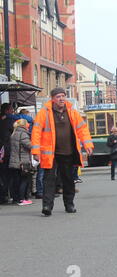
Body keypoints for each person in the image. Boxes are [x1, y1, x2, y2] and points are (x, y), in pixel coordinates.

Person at [31, 87, 94, 217]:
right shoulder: (44, 113)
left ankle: (69, 204)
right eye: (58, 96)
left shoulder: (72, 112)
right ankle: (47, 206)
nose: (61, 99)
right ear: (53, 99)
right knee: (49, 180)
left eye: (63, 96)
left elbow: (82, 129)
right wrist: (35, 151)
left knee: (68, 180)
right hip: (51, 153)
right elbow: (36, 132)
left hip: (68, 152)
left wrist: (87, 144)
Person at [8, 119, 33, 206]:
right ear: (24, 125)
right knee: (24, 180)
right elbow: (29, 145)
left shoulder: (14, 133)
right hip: (22, 161)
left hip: (14, 161)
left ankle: (15, 198)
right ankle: (22, 199)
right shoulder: (23, 134)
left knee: (16, 181)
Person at [0, 103, 15, 204]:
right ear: (6, 111)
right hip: (6, 151)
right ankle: (5, 195)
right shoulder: (9, 121)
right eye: (11, 110)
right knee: (8, 175)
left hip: (3, 150)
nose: (12, 112)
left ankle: (3, 196)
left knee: (2, 175)